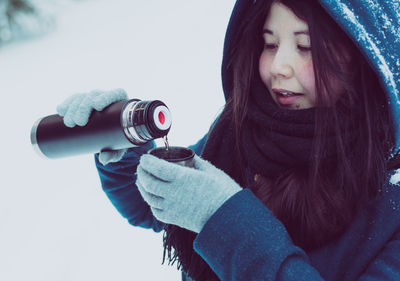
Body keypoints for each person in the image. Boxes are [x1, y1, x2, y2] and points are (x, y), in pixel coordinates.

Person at [56, 0, 400, 280]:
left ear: (365, 57)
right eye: (270, 43)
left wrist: (225, 220)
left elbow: (212, 211)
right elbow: (154, 205)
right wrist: (123, 144)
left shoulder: (392, 198)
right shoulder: (245, 130)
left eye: (305, 46)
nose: (280, 65)